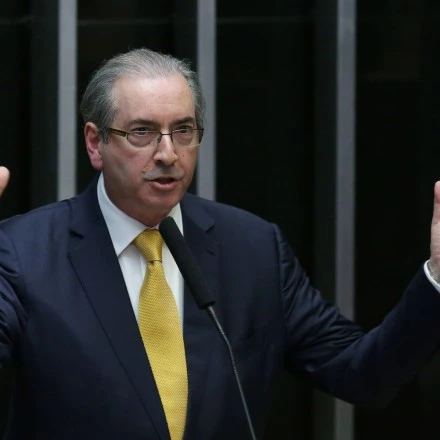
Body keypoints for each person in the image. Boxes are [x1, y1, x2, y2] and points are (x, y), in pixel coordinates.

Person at [1, 48, 440, 440]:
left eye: (184, 130)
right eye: (142, 132)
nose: (168, 153)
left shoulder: (251, 247)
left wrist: (436, 279)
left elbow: (364, 373)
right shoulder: (22, 252)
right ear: (96, 143)